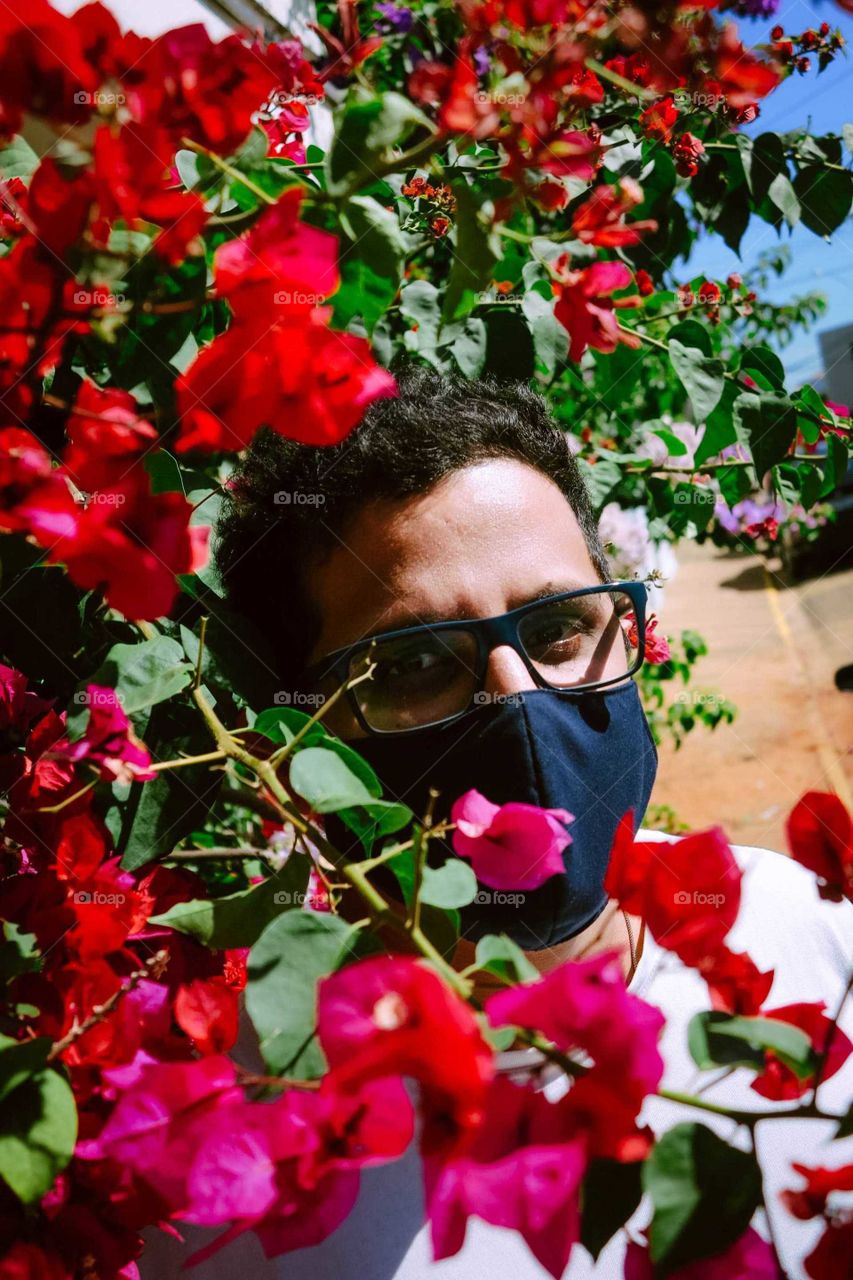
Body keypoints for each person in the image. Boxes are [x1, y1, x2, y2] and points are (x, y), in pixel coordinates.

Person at [142, 366, 853, 1279]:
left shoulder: (814, 935)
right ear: (295, 735)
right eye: (415, 663)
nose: (520, 702)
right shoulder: (250, 1122)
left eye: (559, 627)